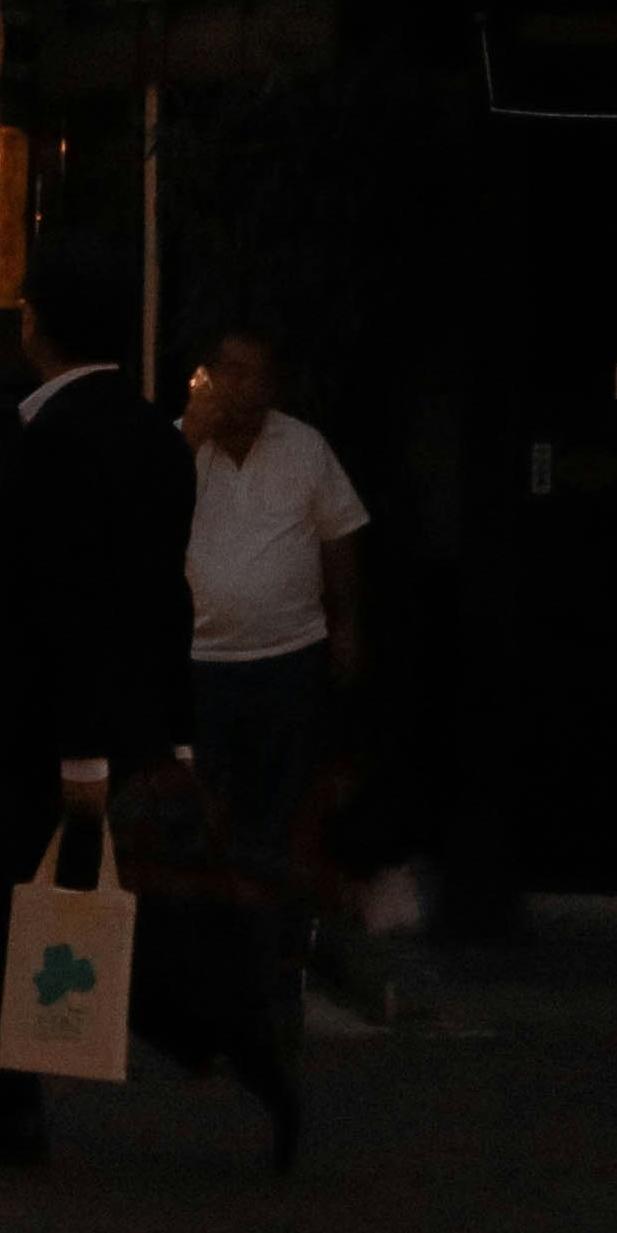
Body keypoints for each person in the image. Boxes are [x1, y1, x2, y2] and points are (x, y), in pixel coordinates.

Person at [0, 236, 290, 1175]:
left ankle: (22, 1102)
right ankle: (210, 1047)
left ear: (36, 324)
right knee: (101, 907)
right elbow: (163, 599)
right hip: (124, 724)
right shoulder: (152, 435)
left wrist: (76, 756)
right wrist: (174, 734)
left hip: (52, 734)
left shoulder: (57, 440)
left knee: (27, 909)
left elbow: (61, 608)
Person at [181, 326, 370, 897]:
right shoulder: (176, 448)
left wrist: (347, 629)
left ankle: (277, 941)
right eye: (231, 372)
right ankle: (216, 932)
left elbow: (340, 537)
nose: (242, 387)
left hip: (289, 656)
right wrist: (191, 435)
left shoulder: (304, 447)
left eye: (255, 374)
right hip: (201, 660)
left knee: (284, 803)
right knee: (204, 807)